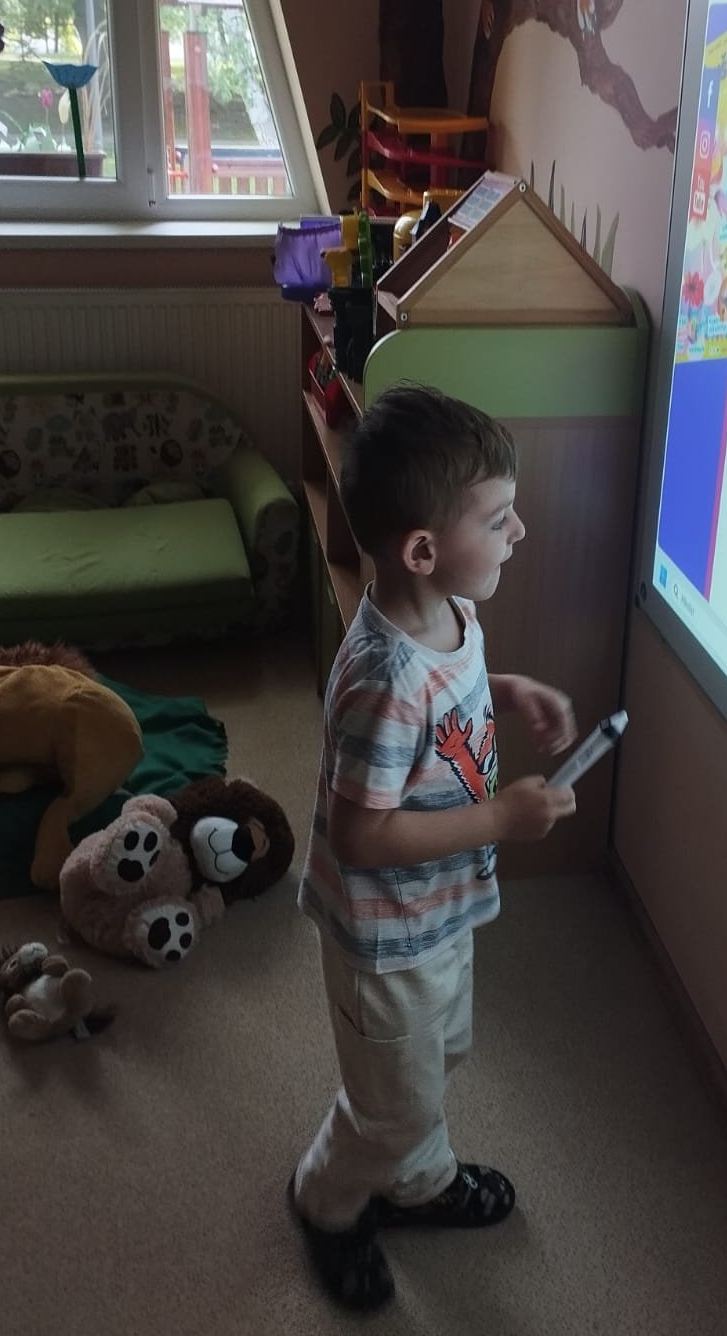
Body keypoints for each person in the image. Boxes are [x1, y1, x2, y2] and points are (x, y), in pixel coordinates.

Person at [292, 382, 578, 1310]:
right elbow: (361, 833)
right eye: (498, 519)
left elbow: (447, 699)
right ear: (423, 550)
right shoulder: (382, 678)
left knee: (435, 1061)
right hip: (385, 937)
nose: (519, 532)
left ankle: (416, 1180)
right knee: (391, 1103)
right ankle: (329, 1199)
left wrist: (507, 688)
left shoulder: (448, 615)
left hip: (440, 913)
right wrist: (499, 821)